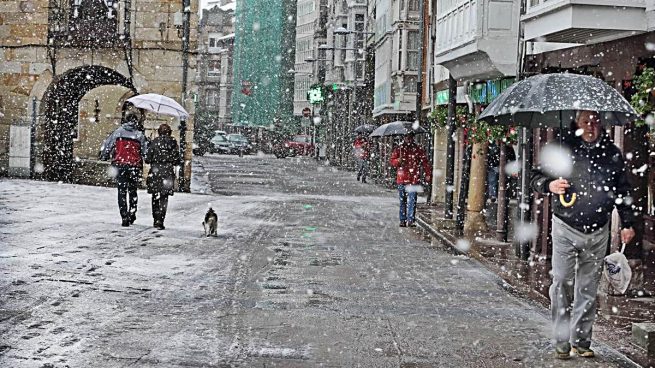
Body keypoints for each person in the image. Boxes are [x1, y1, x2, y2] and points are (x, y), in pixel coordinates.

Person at [530, 110, 635, 359]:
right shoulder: (560, 147)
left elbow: (623, 190)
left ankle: (581, 340)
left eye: (595, 120)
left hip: (598, 229)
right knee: (562, 283)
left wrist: (627, 223)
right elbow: (535, 177)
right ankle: (562, 339)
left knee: (588, 288)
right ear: (576, 122)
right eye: (585, 121)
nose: (591, 125)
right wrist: (549, 185)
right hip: (565, 225)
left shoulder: (611, 153)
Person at [100, 113, 148, 227]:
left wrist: (104, 155)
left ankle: (124, 216)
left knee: (121, 191)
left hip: (120, 165)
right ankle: (132, 212)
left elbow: (108, 145)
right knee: (133, 190)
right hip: (134, 166)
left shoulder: (118, 132)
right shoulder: (139, 135)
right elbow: (145, 153)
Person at [390, 132, 432, 227]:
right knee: (403, 200)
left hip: (413, 178)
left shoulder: (417, 149)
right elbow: (392, 161)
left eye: (410, 137)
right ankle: (403, 220)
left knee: (412, 200)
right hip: (402, 178)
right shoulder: (399, 149)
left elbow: (425, 162)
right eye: (406, 137)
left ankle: (410, 219)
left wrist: (428, 173)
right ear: (404, 137)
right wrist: (398, 161)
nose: (408, 139)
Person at [145, 124, 182, 230]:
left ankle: (156, 219)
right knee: (164, 198)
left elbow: (147, 159)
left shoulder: (154, 142)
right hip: (167, 173)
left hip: (155, 173)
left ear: (159, 132)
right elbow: (177, 160)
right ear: (169, 132)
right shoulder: (173, 143)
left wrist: (150, 146)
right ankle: (161, 219)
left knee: (155, 197)